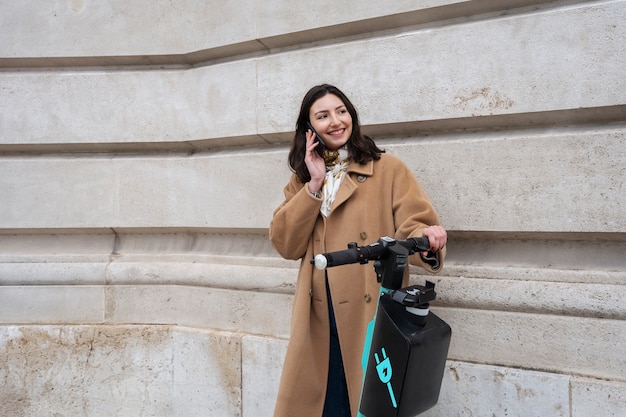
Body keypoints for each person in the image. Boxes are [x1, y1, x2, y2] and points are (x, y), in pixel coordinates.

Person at [269, 84, 447, 417]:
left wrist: (427, 238)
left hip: (369, 312)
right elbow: (285, 243)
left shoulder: (387, 170)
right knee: (324, 404)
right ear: (310, 130)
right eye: (322, 116)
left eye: (341, 111)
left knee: (367, 402)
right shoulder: (302, 181)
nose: (335, 121)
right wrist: (313, 185)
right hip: (319, 317)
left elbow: (413, 224)